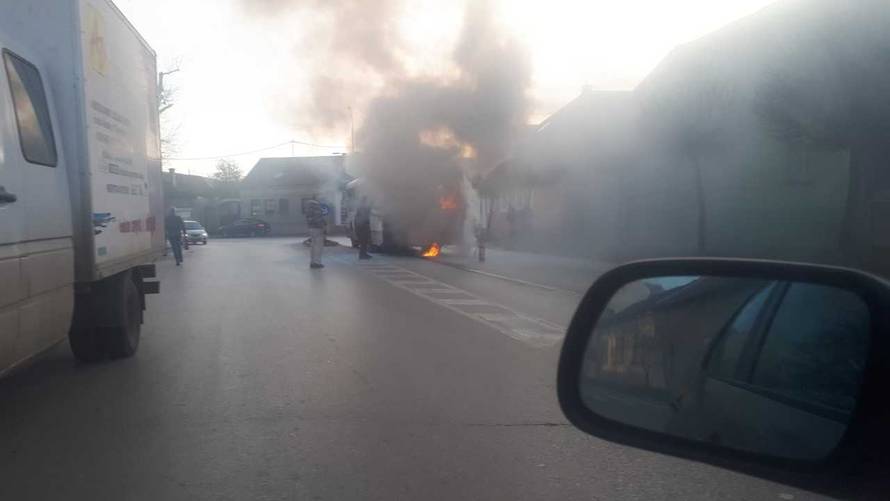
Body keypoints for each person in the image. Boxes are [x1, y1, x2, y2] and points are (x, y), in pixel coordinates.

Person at [304, 195, 327, 269]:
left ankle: (312, 262)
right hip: (318, 228)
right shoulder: (316, 207)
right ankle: (317, 263)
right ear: (316, 199)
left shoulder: (308, 208)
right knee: (319, 246)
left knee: (313, 246)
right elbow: (319, 218)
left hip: (311, 228)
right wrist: (323, 227)